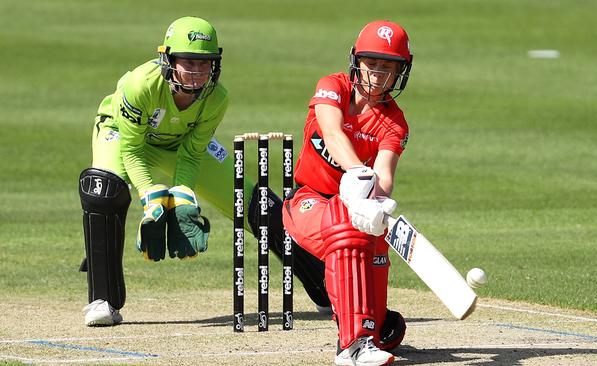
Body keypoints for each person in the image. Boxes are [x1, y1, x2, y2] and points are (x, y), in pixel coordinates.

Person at [78, 16, 329, 327]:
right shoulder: (140, 85)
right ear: (167, 59)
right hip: (122, 135)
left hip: (180, 145)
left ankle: (326, 288)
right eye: (188, 62)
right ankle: (103, 299)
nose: (197, 72)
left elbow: (193, 153)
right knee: (102, 189)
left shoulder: (216, 98)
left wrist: (182, 197)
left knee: (259, 204)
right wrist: (150, 196)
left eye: (205, 63)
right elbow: (131, 150)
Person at [282, 20, 413, 366]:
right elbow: (332, 132)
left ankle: (373, 326)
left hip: (348, 204)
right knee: (346, 221)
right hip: (307, 200)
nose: (378, 75)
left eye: (388, 67)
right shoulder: (332, 86)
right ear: (357, 61)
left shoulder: (394, 123)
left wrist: (376, 202)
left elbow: (384, 174)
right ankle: (353, 346)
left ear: (401, 71)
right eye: (372, 64)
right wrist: (358, 175)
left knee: (370, 226)